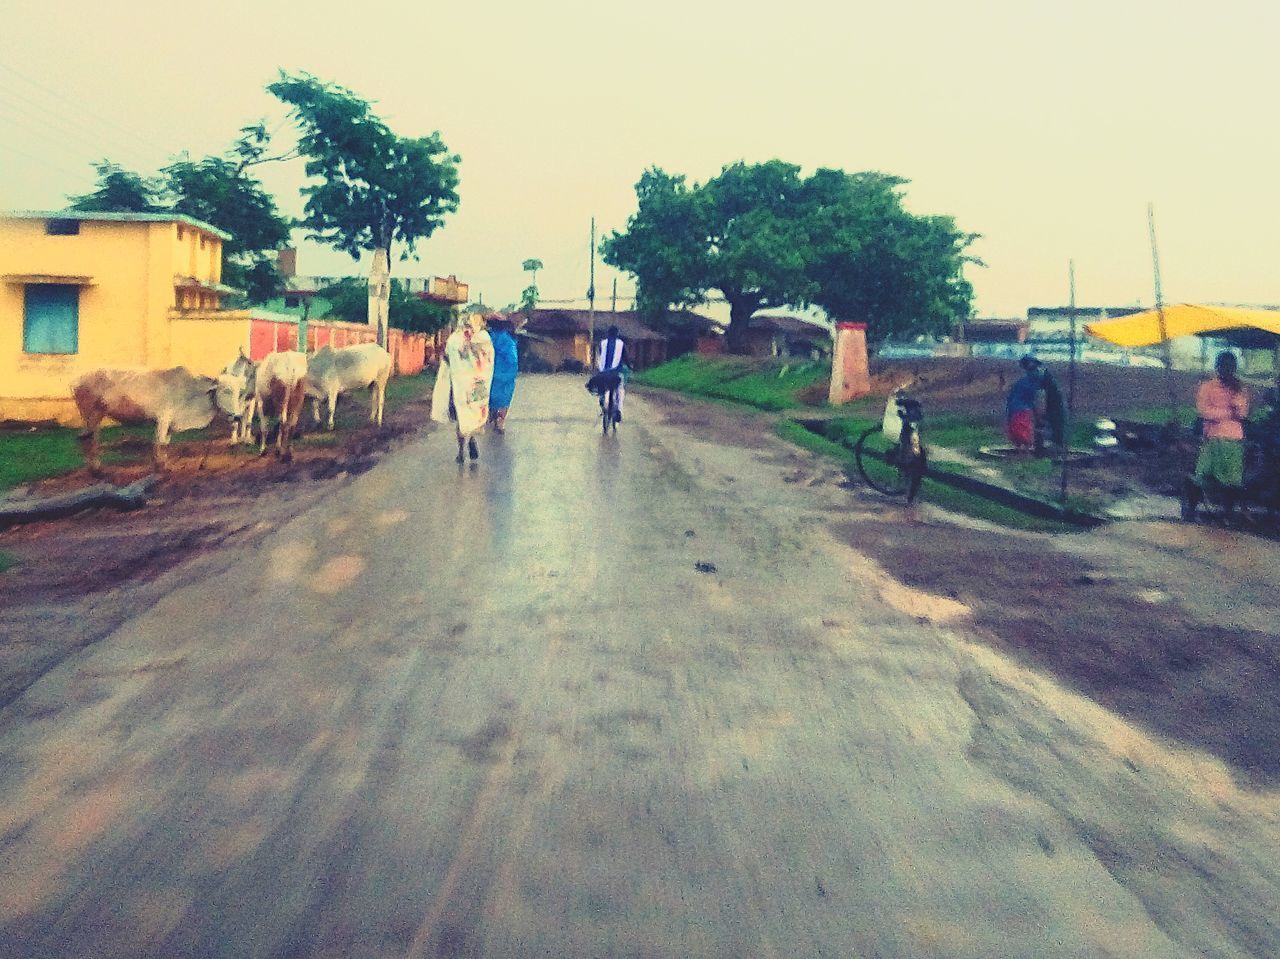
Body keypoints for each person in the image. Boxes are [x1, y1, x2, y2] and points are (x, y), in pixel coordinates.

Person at [1182, 350, 1249, 521]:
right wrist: (1227, 413)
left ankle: (1228, 514)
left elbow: (1242, 413)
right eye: (1223, 366)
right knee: (1202, 474)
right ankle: (1190, 510)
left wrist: (1233, 405)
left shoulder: (1239, 388)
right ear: (1217, 367)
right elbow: (1204, 411)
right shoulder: (1208, 387)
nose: (1226, 370)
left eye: (1230, 367)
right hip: (1212, 438)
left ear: (1234, 368)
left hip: (1233, 440)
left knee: (1232, 480)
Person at [431, 312, 494, 463]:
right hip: (477, 385)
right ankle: (471, 438)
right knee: (472, 412)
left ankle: (461, 450)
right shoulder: (483, 338)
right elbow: (489, 359)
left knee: (461, 414)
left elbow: (446, 359)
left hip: (458, 385)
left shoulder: (454, 340)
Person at [487, 314, 519, 432]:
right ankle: (500, 422)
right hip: (506, 373)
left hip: (489, 372)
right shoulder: (508, 339)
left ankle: (493, 415)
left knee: (491, 396)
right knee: (504, 399)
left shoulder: (486, 338)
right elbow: (512, 358)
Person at [1005, 356, 1043, 452]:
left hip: (1016, 408)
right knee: (1023, 436)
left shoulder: (1023, 381)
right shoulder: (1034, 378)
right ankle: (1025, 456)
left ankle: (1022, 454)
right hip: (1022, 409)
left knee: (1019, 435)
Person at [596, 325, 626, 423]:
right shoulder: (621, 344)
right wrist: (629, 366)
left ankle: (602, 401)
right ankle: (619, 410)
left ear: (608, 334)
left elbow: (599, 356)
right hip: (616, 374)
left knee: (601, 386)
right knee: (620, 390)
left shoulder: (602, 343)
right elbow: (625, 357)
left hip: (603, 373)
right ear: (617, 333)